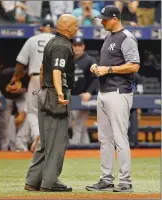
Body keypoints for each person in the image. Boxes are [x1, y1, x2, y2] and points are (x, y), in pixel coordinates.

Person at [85, 5, 140, 192]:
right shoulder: (108, 37)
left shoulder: (127, 38)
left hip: (119, 92)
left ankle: (125, 182)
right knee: (105, 139)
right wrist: (97, 68)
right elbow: (110, 64)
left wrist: (107, 69)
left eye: (105, 19)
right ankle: (106, 180)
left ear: (115, 18)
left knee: (120, 139)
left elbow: (134, 66)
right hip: (104, 91)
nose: (102, 21)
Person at [24, 14, 78, 192]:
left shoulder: (52, 42)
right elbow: (56, 70)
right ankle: (50, 182)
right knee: (57, 141)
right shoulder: (63, 45)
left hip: (46, 92)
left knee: (45, 140)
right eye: (75, 25)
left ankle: (33, 181)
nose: (77, 28)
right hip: (56, 95)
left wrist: (43, 91)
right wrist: (60, 93)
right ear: (68, 28)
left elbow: (41, 68)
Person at [7, 19, 55, 151]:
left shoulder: (32, 40)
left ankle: (37, 134)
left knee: (33, 111)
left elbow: (20, 63)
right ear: (53, 29)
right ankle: (49, 140)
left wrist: (15, 78)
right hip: (55, 80)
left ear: (41, 28)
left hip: (36, 78)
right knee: (52, 111)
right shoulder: (58, 40)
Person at [69, 37, 98, 145]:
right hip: (72, 97)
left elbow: (96, 79)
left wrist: (89, 92)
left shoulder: (90, 60)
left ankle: (74, 146)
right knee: (81, 126)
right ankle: (86, 148)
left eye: (79, 45)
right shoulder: (69, 59)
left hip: (84, 98)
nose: (77, 48)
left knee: (78, 126)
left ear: (83, 47)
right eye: (75, 45)